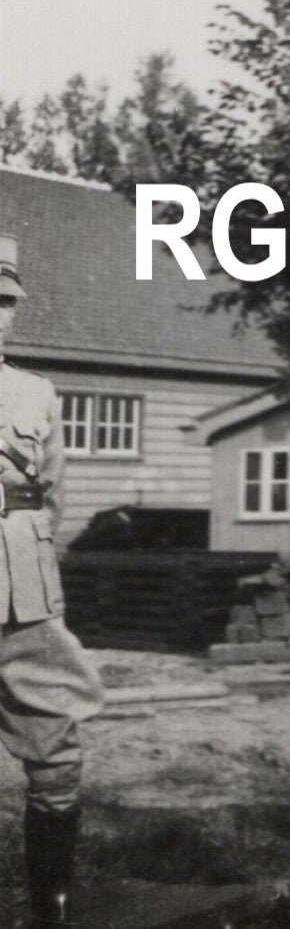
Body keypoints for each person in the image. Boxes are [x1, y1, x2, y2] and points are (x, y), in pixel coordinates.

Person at [0, 233, 105, 926]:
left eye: (5, 302)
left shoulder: (35, 393)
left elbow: (55, 499)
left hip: (21, 583)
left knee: (54, 741)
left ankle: (51, 904)